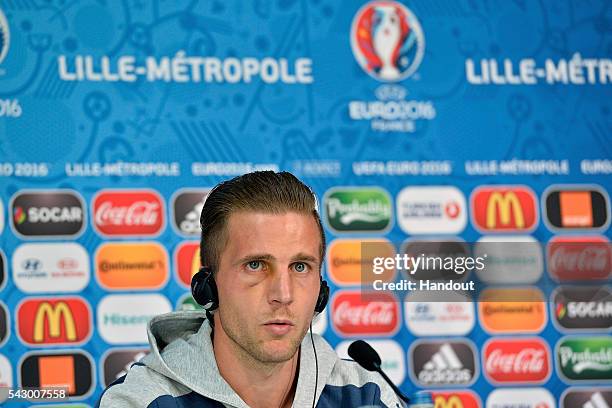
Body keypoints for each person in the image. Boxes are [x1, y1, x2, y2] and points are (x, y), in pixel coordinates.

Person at [97, 171, 403, 408]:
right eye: (256, 265)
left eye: (300, 267)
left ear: (321, 292)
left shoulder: (366, 394)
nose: (283, 294)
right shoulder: (144, 400)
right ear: (208, 288)